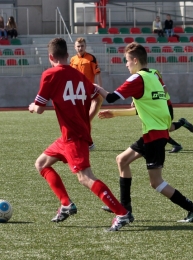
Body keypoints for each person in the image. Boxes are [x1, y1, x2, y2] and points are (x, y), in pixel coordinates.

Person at [28, 37, 134, 232]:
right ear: (68, 55)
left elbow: (40, 108)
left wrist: (33, 106)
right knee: (41, 164)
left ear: (50, 56)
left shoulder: (49, 74)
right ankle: (66, 204)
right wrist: (88, 119)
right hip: (68, 135)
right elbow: (97, 98)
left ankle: (122, 213)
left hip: (73, 137)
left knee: (85, 177)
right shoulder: (79, 75)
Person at [95, 42, 193, 223]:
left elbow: (111, 97)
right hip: (153, 133)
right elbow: (146, 107)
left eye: (127, 61)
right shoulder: (154, 75)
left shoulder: (137, 79)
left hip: (154, 136)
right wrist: (114, 114)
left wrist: (95, 88)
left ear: (136, 60)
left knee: (156, 182)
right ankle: (125, 209)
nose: (126, 64)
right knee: (121, 160)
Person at [70, 37, 103, 151]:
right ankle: (87, 143)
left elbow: (97, 73)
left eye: (82, 46)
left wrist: (100, 88)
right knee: (81, 119)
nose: (80, 48)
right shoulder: (73, 60)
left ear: (85, 46)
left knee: (86, 118)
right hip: (77, 93)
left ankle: (87, 143)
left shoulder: (91, 58)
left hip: (90, 90)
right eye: (78, 46)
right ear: (75, 47)